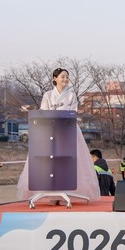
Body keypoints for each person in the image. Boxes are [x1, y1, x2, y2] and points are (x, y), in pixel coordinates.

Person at [16, 67, 100, 202]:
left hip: (68, 130)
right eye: (62, 76)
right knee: (49, 162)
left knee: (69, 161)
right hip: (50, 131)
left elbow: (73, 112)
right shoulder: (48, 95)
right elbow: (44, 112)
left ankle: (67, 192)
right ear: (55, 78)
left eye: (67, 77)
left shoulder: (71, 95)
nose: (65, 79)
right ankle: (51, 193)